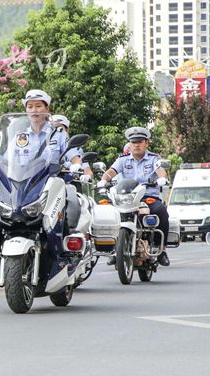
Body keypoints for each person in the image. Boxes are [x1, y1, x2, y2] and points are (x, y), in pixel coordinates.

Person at [96, 127, 171, 266]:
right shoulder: (123, 160)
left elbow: (161, 171)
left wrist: (162, 178)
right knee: (110, 214)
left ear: (146, 143)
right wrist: (103, 180)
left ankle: (161, 250)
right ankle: (115, 250)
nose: (136, 145)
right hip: (126, 198)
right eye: (133, 142)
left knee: (161, 211)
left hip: (147, 197)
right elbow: (112, 170)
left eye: (140, 141)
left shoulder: (154, 159)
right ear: (129, 144)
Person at [12, 89, 83, 170]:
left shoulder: (58, 133)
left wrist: (76, 165)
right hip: (24, 181)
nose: (34, 110)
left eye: (38, 106)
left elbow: (76, 159)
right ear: (26, 111)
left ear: (47, 109)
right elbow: (6, 161)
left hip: (52, 180)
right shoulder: (20, 137)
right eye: (30, 107)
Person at [50, 114, 93, 183]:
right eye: (52, 128)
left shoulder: (76, 148)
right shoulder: (45, 146)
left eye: (59, 128)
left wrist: (86, 176)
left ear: (67, 130)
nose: (57, 131)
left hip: (71, 183)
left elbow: (87, 170)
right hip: (49, 181)